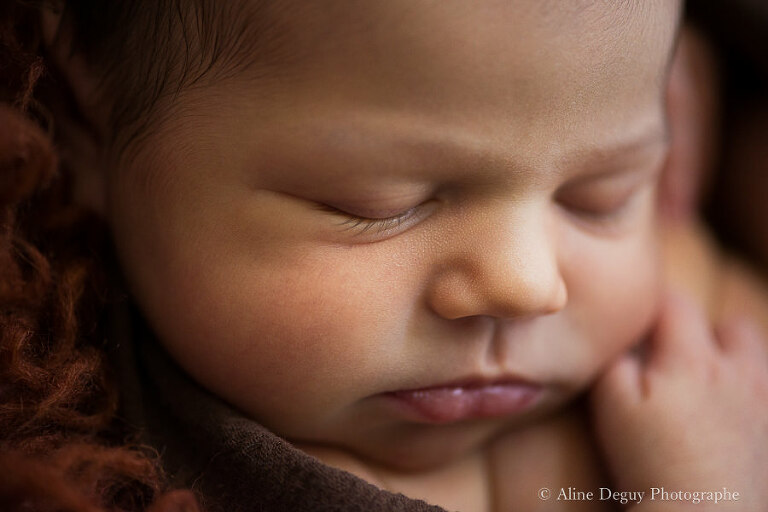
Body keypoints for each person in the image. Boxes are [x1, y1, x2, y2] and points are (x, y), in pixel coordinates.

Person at [1, 1, 767, 511]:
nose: (527, 285)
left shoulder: (695, 305)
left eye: (599, 196)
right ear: (82, 128)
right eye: (377, 205)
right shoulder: (116, 471)